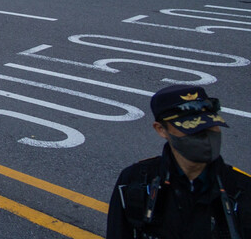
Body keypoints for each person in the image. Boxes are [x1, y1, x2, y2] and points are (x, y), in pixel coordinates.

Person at [107, 85, 251, 238]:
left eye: (209, 127)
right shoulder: (134, 181)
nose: (206, 138)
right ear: (161, 130)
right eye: (192, 129)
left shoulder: (243, 189)